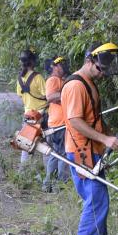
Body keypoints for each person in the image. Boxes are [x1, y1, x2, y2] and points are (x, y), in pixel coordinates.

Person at [61, 42, 118, 235]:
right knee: (96, 201)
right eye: (100, 69)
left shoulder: (89, 83)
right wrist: (104, 140)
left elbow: (96, 120)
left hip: (92, 151)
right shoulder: (76, 86)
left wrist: (116, 142)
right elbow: (75, 121)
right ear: (88, 61)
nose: (102, 74)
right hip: (81, 152)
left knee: (98, 201)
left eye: (105, 70)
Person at [42, 55, 71, 192]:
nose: (63, 67)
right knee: (63, 155)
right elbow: (50, 97)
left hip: (57, 123)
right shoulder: (53, 80)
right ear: (53, 67)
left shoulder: (60, 80)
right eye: (60, 65)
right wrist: (67, 93)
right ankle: (60, 185)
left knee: (55, 155)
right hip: (59, 124)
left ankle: (48, 185)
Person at [16, 49, 47, 165]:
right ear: (33, 62)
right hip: (41, 115)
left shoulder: (19, 78)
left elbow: (20, 95)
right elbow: (47, 95)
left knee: (26, 145)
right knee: (46, 144)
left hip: (28, 115)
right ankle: (49, 174)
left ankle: (23, 173)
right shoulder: (38, 77)